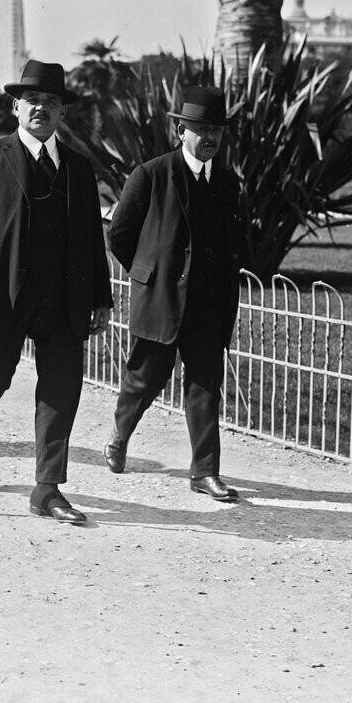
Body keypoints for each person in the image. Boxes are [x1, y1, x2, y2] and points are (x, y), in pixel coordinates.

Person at [0, 59, 113, 525]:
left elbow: (90, 238)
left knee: (61, 389)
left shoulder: (79, 169)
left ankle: (47, 488)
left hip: (64, 298)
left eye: (51, 102)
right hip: (2, 295)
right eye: (33, 100)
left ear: (62, 114)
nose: (41, 108)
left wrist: (100, 296)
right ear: (16, 107)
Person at [104, 85, 247, 502]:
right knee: (145, 379)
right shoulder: (151, 174)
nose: (210, 138)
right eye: (201, 129)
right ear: (181, 130)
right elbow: (120, 234)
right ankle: (120, 432)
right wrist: (147, 274)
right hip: (162, 300)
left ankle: (205, 472)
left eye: (217, 130)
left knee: (205, 386)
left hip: (209, 303)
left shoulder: (227, 182)